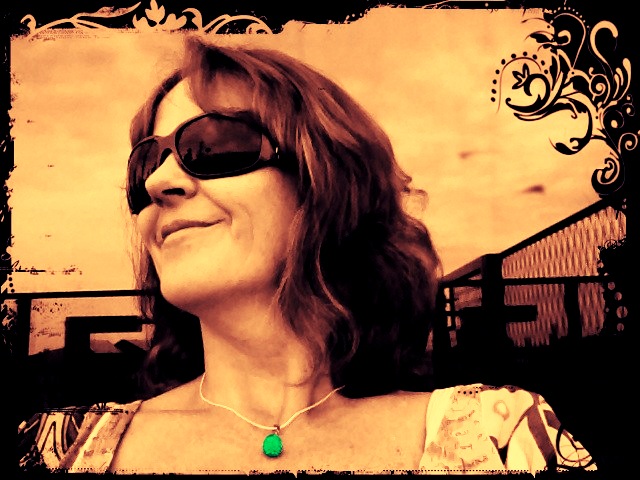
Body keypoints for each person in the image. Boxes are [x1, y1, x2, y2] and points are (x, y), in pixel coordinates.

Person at [17, 35, 596, 474]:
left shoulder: (503, 441)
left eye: (212, 145)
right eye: (145, 161)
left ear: (324, 184)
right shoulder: (56, 451)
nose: (157, 182)